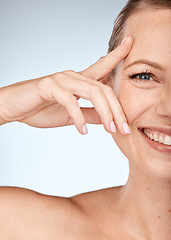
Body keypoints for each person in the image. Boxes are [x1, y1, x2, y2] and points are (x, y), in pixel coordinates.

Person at [0, 0, 171, 239]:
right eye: (144, 76)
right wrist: (6, 106)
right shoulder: (34, 228)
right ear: (107, 87)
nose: (168, 107)